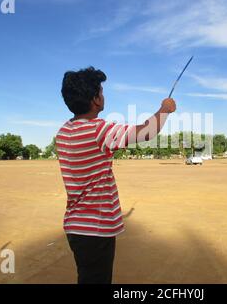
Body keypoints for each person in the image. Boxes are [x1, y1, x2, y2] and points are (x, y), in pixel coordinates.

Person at [56, 66, 176, 284]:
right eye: (101, 92)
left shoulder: (63, 131)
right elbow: (146, 131)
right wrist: (164, 109)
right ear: (96, 100)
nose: (103, 96)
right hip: (97, 229)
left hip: (75, 227)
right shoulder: (99, 130)